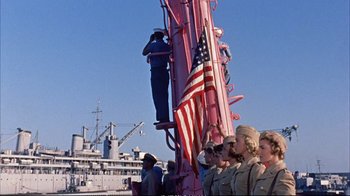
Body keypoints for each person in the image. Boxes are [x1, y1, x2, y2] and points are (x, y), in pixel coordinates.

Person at [142, 28, 171, 124]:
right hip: (164, 71)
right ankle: (165, 117)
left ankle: (162, 117)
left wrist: (150, 41)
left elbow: (144, 52)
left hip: (156, 72)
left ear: (155, 36)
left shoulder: (153, 46)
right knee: (164, 95)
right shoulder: (166, 46)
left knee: (157, 96)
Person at [231, 125, 266, 195]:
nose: (234, 144)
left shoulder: (257, 168)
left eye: (237, 141)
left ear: (248, 142)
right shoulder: (242, 166)